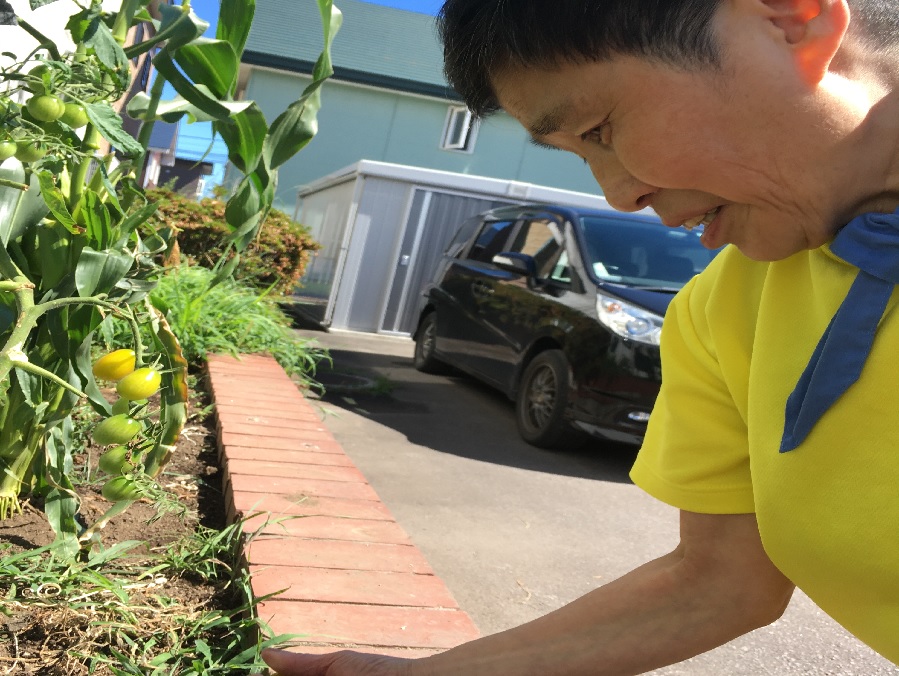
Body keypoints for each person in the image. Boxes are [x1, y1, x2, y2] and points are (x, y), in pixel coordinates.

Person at [262, 0, 899, 672]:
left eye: (599, 128)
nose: (621, 195)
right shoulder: (722, 310)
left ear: (789, 20)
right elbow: (718, 582)